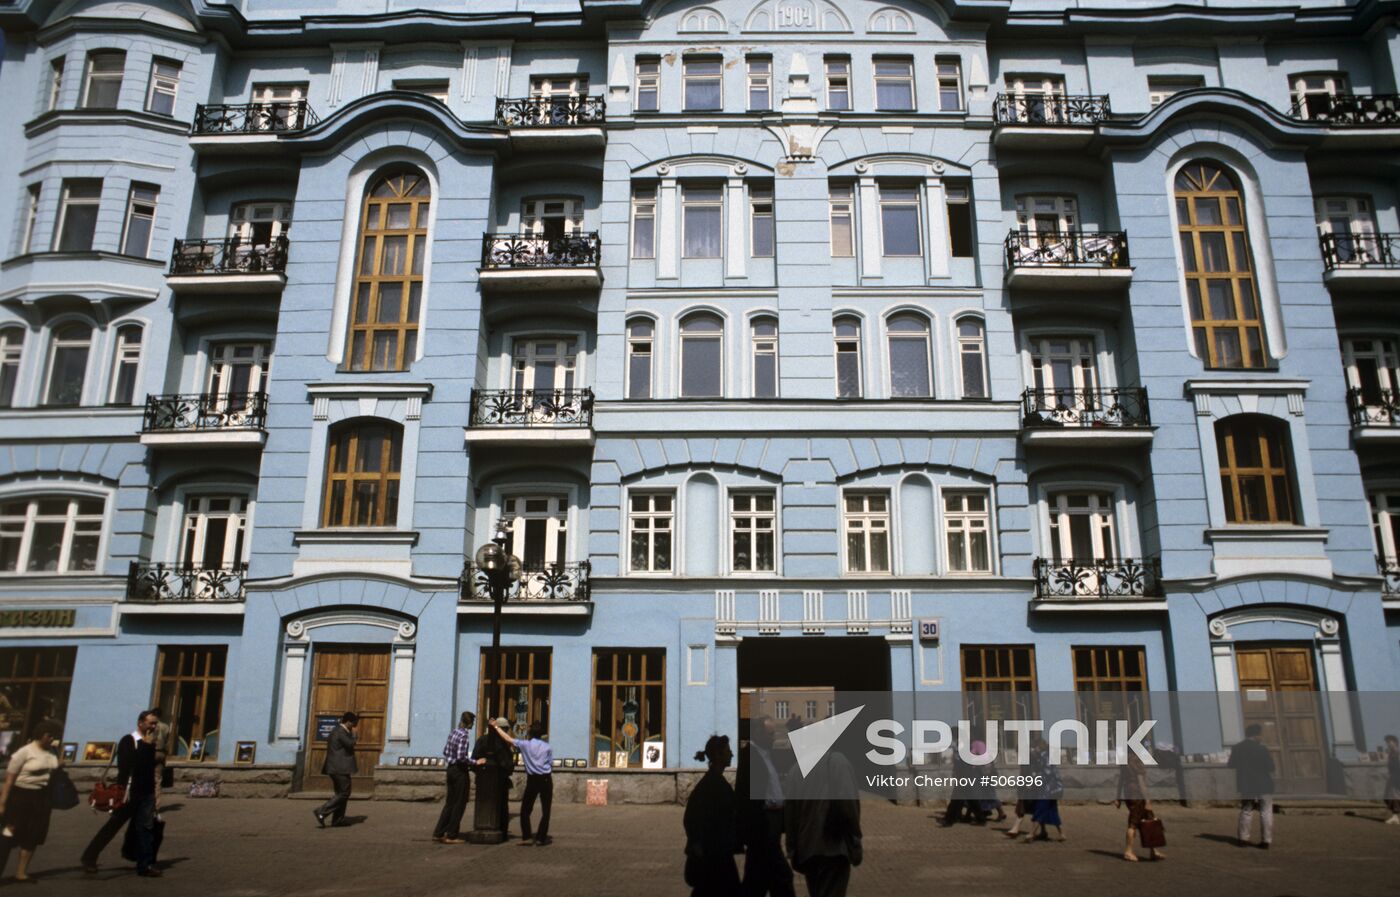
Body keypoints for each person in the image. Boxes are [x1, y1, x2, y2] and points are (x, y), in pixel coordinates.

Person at [783, 721, 862, 897]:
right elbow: (849, 805)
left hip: (808, 849)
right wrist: (855, 839)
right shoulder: (838, 763)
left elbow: (790, 815)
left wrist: (792, 848)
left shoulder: (795, 770)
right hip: (834, 847)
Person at [80, 708, 161, 875]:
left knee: (145, 828)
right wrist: (145, 747)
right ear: (140, 723)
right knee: (113, 826)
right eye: (150, 723)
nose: (153, 726)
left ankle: (144, 865)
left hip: (146, 792)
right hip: (128, 793)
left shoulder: (151, 743)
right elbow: (126, 766)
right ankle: (89, 857)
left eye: (155, 723)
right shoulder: (128, 741)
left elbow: (149, 768)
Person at [735, 717, 796, 897]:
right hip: (762, 825)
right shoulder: (751, 756)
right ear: (759, 733)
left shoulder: (766, 754)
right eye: (770, 734)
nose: (774, 738)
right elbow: (744, 794)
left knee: (758, 876)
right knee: (780, 874)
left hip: (771, 823)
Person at [0, 721, 63, 882]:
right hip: (20, 795)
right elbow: (9, 779)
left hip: (41, 797)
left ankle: (21, 873)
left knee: (34, 833)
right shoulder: (25, 752)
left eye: (54, 736)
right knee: (10, 832)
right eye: (49, 735)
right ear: (40, 735)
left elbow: (55, 770)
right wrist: (2, 802)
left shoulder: (52, 751)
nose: (51, 739)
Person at [683, 735, 741, 897]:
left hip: (719, 853)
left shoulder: (715, 782)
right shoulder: (711, 785)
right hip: (714, 855)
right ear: (718, 755)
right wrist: (697, 844)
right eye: (728, 751)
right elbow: (692, 818)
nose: (732, 754)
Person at [490, 719, 553, 845]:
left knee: (525, 809)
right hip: (546, 778)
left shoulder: (525, 745)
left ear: (529, 734)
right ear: (541, 735)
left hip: (532, 779)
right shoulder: (547, 747)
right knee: (546, 810)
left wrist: (496, 727)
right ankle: (541, 838)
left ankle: (527, 836)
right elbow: (549, 763)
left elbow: (508, 739)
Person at [433, 711, 483, 844]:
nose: (473, 725)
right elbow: (461, 757)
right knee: (459, 803)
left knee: (450, 802)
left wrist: (452, 758)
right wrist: (475, 762)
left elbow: (445, 751)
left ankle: (439, 832)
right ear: (470, 722)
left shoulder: (453, 732)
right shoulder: (464, 736)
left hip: (450, 769)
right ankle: (451, 834)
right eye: (473, 722)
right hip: (460, 771)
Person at [1229, 723, 1275, 849]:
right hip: (1263, 784)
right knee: (1266, 812)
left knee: (1246, 810)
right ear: (1257, 735)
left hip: (1246, 784)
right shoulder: (1262, 749)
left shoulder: (1237, 748)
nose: (1262, 737)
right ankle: (1266, 840)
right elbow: (1271, 767)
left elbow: (1231, 765)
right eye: (1261, 735)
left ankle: (1243, 839)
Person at [1116, 749, 1162, 862]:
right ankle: (1128, 851)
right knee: (1134, 822)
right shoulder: (1137, 761)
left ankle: (1153, 850)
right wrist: (1147, 800)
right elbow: (1141, 782)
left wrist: (1118, 797)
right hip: (1138, 795)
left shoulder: (1124, 761)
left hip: (1128, 793)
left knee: (1149, 820)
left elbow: (1120, 780)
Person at [314, 711, 358, 828]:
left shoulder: (338, 730)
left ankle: (338, 820)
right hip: (339, 767)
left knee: (340, 793)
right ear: (348, 722)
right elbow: (350, 744)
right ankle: (322, 811)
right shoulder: (340, 731)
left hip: (337, 767)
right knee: (344, 793)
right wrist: (354, 735)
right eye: (353, 724)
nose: (354, 727)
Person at [472, 717, 514, 835]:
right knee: (502, 806)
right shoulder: (501, 743)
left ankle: (485, 825)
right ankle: (501, 830)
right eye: (505, 729)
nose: (506, 732)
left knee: (484, 803)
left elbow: (474, 759)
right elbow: (507, 762)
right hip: (499, 779)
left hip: (483, 779)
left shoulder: (482, 740)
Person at [1384, 734, 1400, 825]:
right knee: (1387, 796)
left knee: (1394, 796)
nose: (1388, 744)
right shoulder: (1391, 752)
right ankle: (1395, 815)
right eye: (1387, 742)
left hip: (1397, 776)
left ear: (1394, 742)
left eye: (1389, 742)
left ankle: (1395, 816)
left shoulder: (1397, 752)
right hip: (1393, 776)